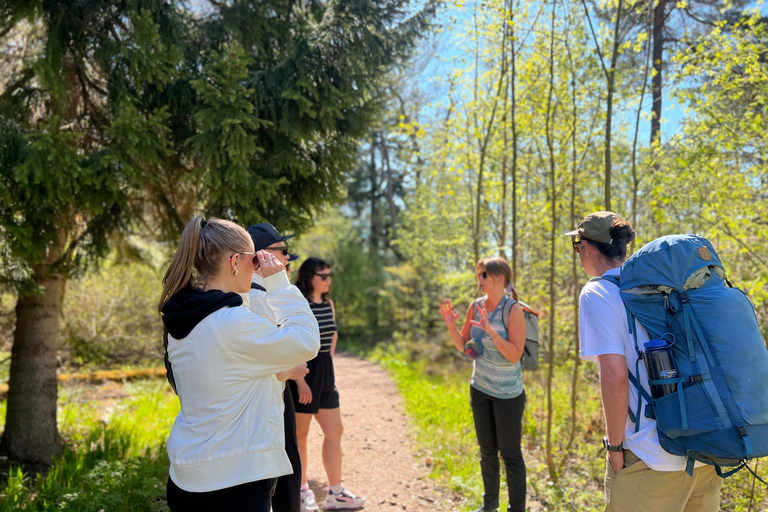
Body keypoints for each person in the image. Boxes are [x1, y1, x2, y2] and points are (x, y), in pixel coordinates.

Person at [159, 216, 320, 512]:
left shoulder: (185, 318)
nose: (258, 266)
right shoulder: (230, 323)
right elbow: (306, 342)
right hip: (233, 482)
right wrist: (280, 286)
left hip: (189, 477)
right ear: (235, 262)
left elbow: (226, 378)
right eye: (254, 259)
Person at [567, 211, 722, 512]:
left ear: (587, 247)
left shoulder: (598, 292)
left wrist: (614, 449)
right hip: (705, 450)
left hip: (652, 458)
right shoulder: (661, 287)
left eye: (577, 247)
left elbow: (614, 376)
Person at [439, 257, 527, 512]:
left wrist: (491, 331)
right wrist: (451, 325)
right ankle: (490, 506)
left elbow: (514, 355)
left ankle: (516, 509)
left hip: (508, 394)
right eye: (478, 275)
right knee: (487, 453)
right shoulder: (475, 306)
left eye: (484, 275)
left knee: (510, 455)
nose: (479, 280)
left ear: (500, 278)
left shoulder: (513, 310)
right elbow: (465, 347)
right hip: (480, 389)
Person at [292, 257, 365, 511]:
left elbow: (332, 336)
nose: (328, 280)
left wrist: (328, 367)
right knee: (300, 436)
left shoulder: (329, 304)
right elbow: (292, 343)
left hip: (325, 372)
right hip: (305, 374)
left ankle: (335, 494)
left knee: (335, 431)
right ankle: (301, 493)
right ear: (309, 277)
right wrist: (300, 381)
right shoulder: (299, 304)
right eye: (323, 275)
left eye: (329, 275)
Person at [246, 223, 306, 512]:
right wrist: (292, 370)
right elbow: (270, 362)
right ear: (260, 256)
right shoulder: (258, 299)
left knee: (286, 473)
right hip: (270, 399)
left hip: (277, 395)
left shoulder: (259, 295)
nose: (288, 258)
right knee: (283, 479)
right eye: (283, 251)